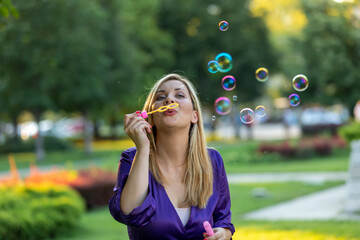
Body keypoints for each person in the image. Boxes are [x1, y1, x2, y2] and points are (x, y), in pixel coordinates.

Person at [109, 73, 235, 240]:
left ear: (194, 116)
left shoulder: (212, 161)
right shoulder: (133, 158)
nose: (169, 100)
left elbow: (223, 220)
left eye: (179, 95)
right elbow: (130, 212)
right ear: (151, 117)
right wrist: (143, 148)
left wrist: (223, 234)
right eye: (161, 97)